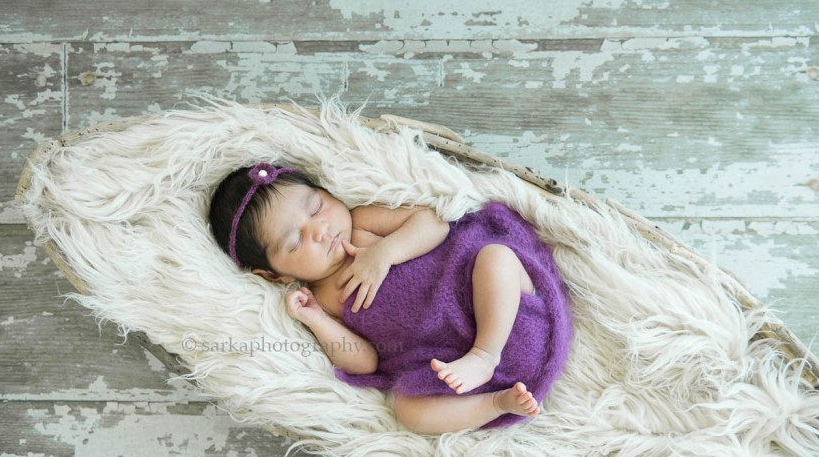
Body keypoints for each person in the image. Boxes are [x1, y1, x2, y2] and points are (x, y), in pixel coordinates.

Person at [209, 161, 572, 434]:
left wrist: (383, 254)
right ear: (275, 275)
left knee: (496, 258)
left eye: (316, 207)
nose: (319, 229)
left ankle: (485, 354)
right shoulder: (324, 299)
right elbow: (364, 362)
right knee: (408, 411)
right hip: (449, 368)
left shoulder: (362, 222)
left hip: (509, 316)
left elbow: (433, 224)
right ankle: (496, 404)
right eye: (295, 240)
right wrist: (316, 320)